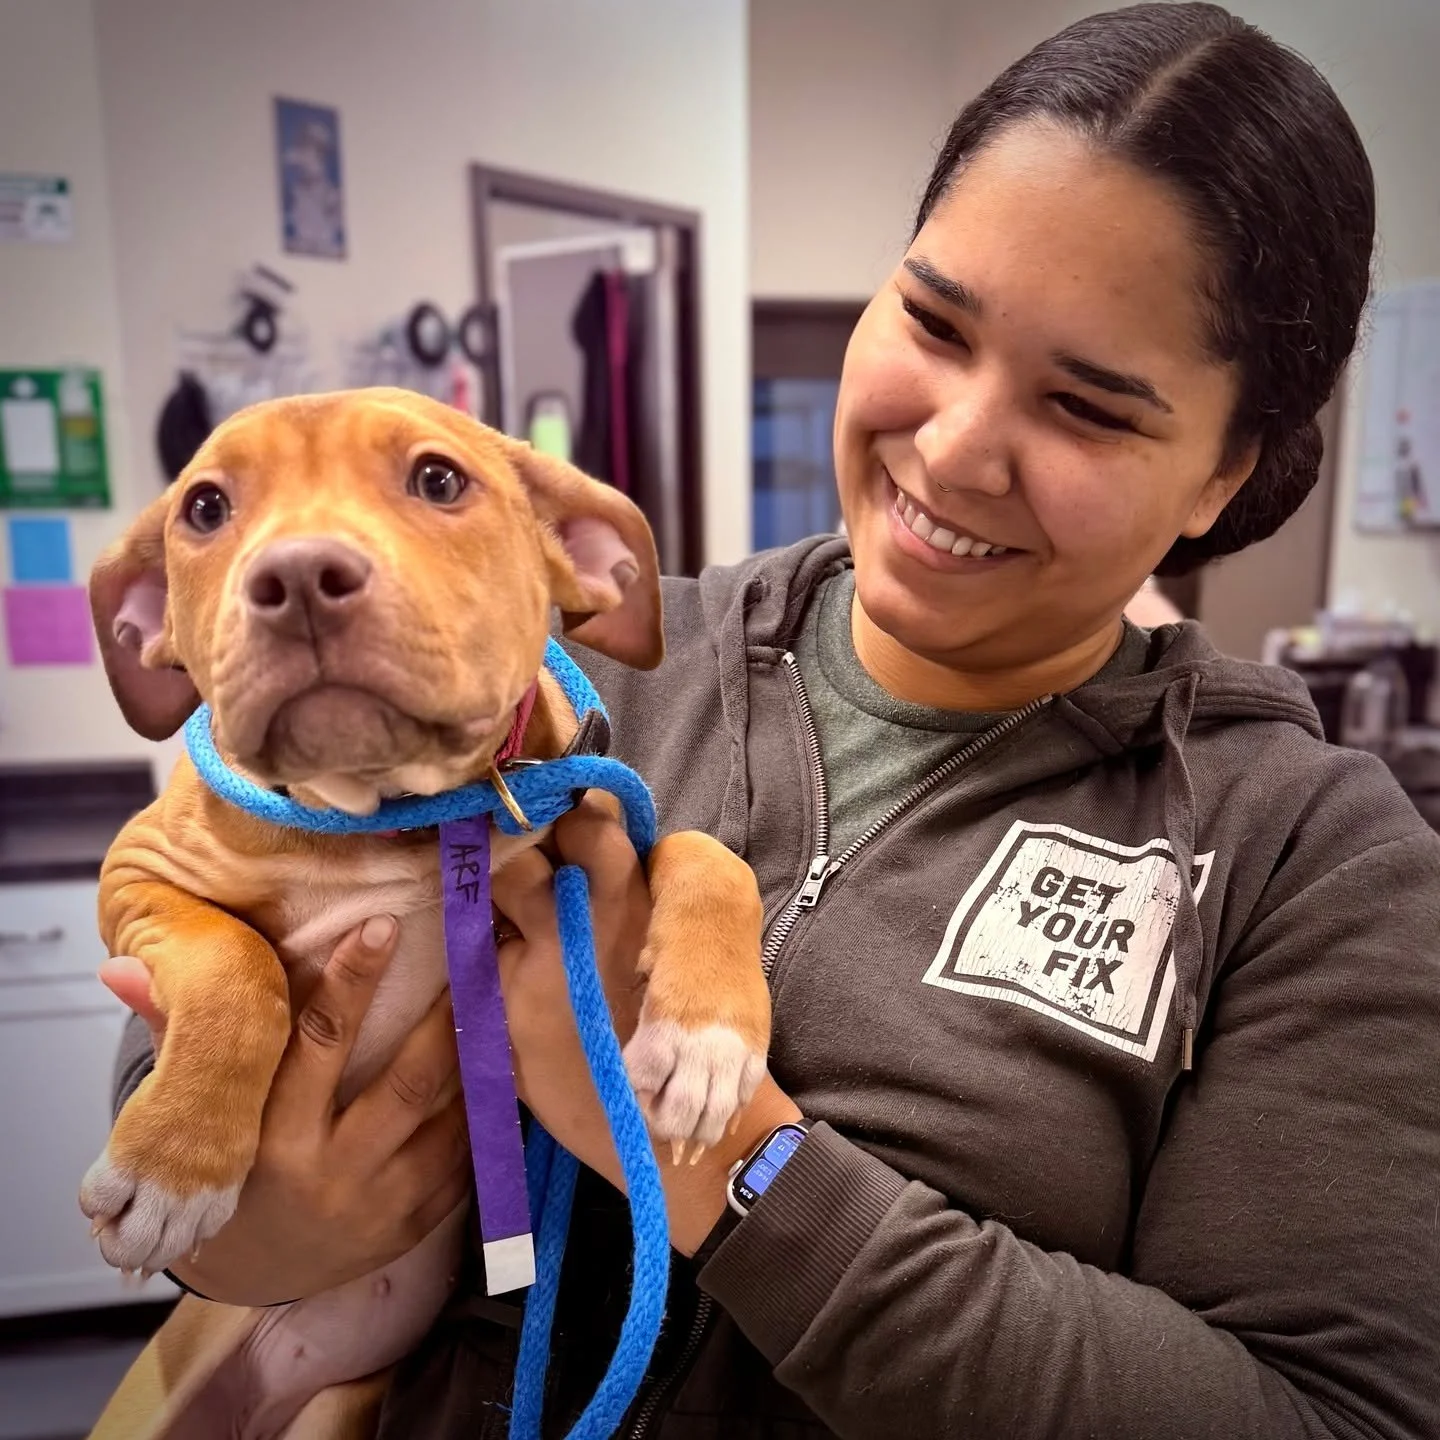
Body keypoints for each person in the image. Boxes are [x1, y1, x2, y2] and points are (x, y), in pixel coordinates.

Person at [109, 4, 1440, 1436]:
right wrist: (252, 1227)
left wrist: (729, 1159)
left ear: (1222, 481)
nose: (952, 446)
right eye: (933, 321)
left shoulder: (1313, 863)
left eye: (1088, 408)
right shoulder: (560, 675)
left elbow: (1330, 1416)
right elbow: (205, 951)